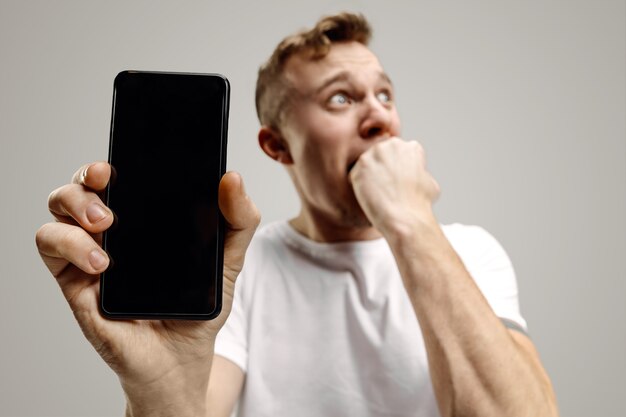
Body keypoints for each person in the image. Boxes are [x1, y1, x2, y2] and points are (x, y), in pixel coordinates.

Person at [36, 12, 558, 417]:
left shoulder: (471, 251)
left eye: (384, 94)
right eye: (340, 99)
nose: (379, 117)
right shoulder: (238, 270)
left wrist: (409, 221)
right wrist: (153, 387)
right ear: (278, 146)